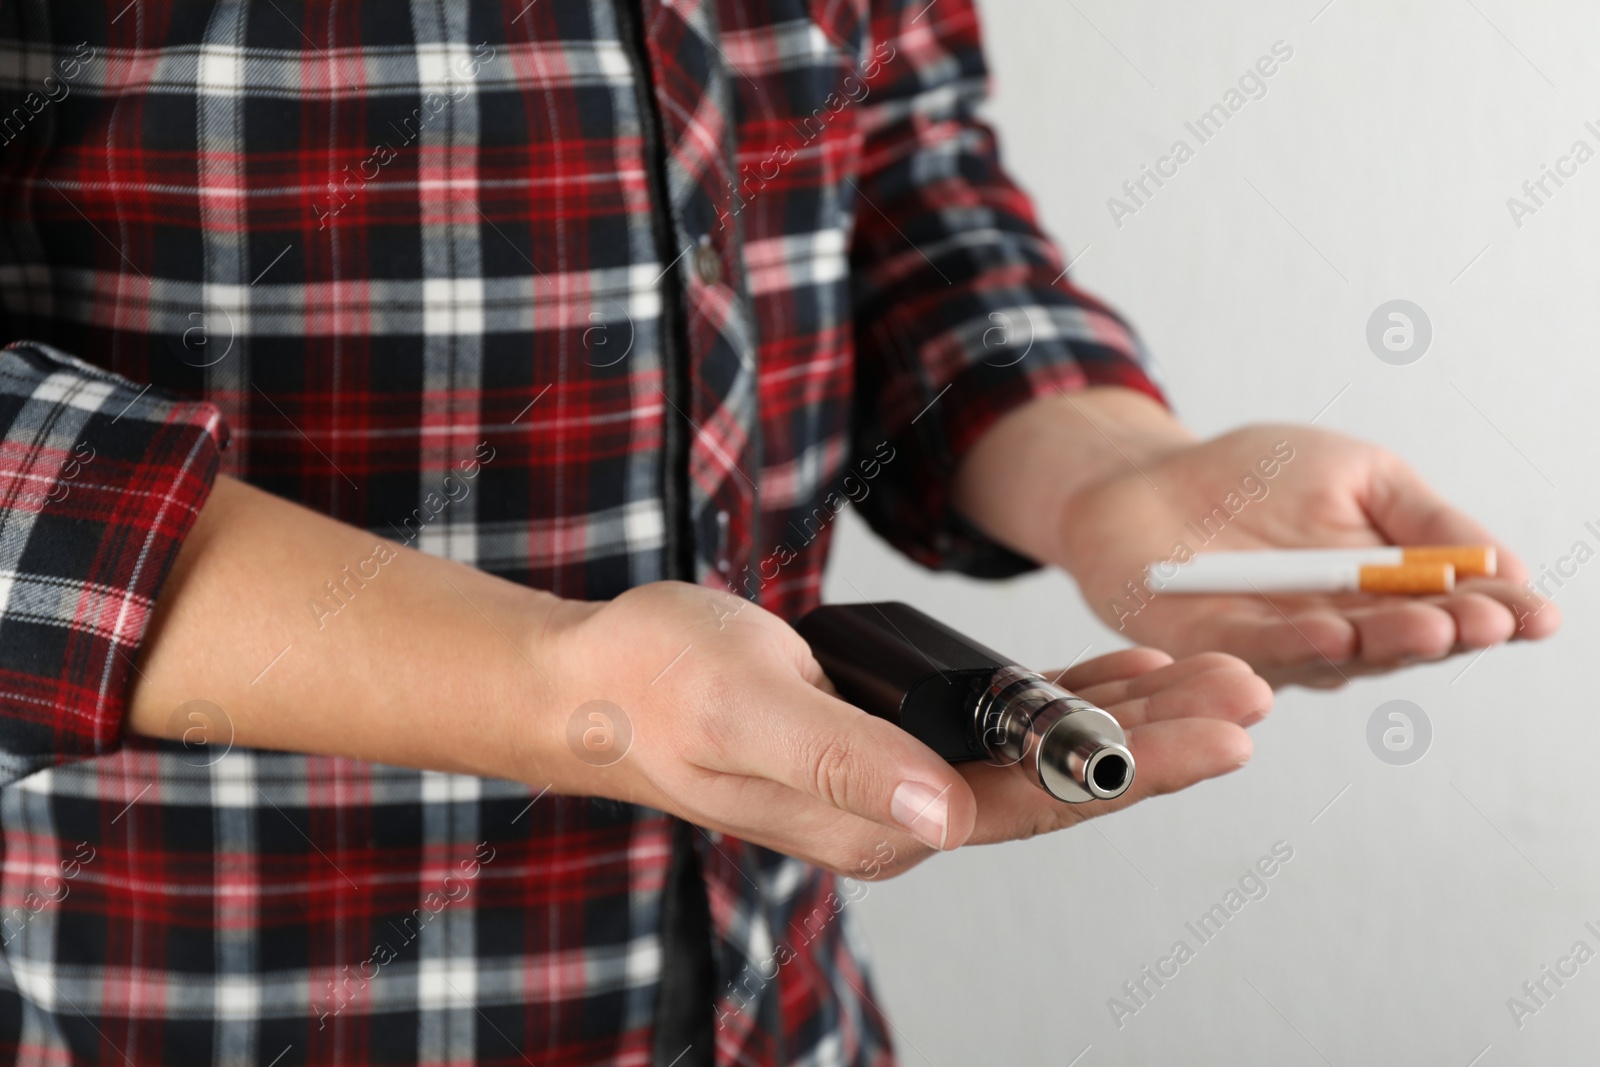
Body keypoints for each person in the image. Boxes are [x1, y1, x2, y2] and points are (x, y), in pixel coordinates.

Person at [0, 2, 1555, 1065]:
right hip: (181, 1002)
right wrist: (563, 688)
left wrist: (1117, 480)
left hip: (778, 1006)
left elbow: (899, 168)